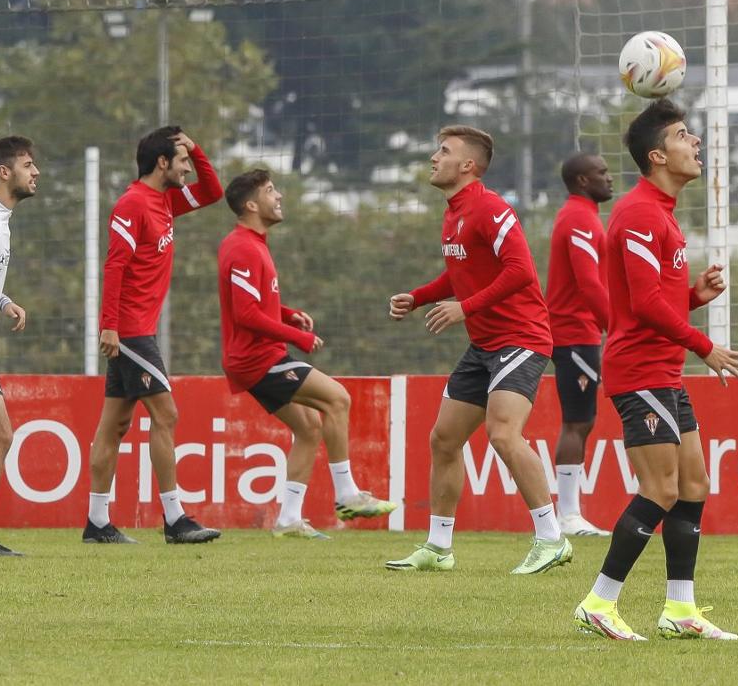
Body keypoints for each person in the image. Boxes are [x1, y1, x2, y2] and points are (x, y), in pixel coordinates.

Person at [573, 99, 738, 642]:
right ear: (657, 155)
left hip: (663, 372)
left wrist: (695, 295)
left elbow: (648, 302)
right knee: (662, 488)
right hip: (640, 372)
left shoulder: (661, 214)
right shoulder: (639, 214)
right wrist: (704, 345)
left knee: (693, 483)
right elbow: (646, 307)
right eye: (682, 135)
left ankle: (679, 609)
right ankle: (598, 602)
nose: (694, 142)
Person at [385, 126, 571, 575]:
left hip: (521, 338)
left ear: (468, 165)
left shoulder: (490, 207)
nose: (433, 157)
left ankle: (552, 539)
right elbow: (461, 272)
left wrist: (463, 309)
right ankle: (438, 547)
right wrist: (422, 296)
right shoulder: (454, 213)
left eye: (443, 151)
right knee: (443, 439)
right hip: (484, 345)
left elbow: (522, 271)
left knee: (504, 433)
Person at [218, 169, 396, 539]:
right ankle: (347, 494)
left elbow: (255, 304)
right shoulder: (243, 247)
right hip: (258, 360)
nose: (279, 196)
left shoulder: (252, 243)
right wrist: (295, 337)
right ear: (251, 204)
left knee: (310, 427)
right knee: (337, 398)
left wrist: (287, 314)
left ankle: (288, 519)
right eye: (270, 191)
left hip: (259, 356)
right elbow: (244, 314)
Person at [83, 127, 223, 545]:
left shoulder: (165, 201)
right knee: (167, 415)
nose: (187, 168)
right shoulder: (132, 203)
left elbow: (213, 191)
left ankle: (97, 523)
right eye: (181, 160)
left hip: (134, 330)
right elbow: (115, 266)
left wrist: (195, 147)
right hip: (130, 331)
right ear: (162, 163)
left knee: (115, 425)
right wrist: (109, 324)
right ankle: (176, 520)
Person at [545, 153, 614, 537]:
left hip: (577, 331)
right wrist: (614, 329)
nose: (610, 178)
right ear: (583, 180)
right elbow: (588, 283)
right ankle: (568, 515)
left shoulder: (580, 215)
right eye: (602, 173)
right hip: (574, 331)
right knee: (578, 420)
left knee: (582, 419)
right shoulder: (579, 219)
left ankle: (568, 513)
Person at [0, 137, 38, 557]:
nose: (35, 171)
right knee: (1, 432)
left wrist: (4, 301)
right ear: (4, 172)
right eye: (27, 164)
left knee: (0, 433)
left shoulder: (2, 220)